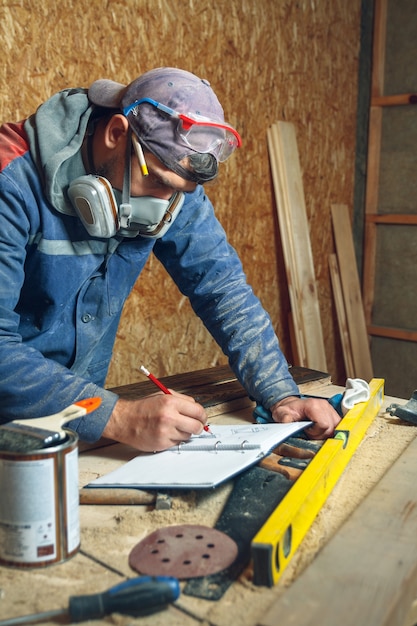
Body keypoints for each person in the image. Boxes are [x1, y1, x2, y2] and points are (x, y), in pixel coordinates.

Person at [0, 67, 340, 452]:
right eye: (158, 182)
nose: (163, 207)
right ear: (116, 134)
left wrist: (281, 396)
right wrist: (119, 417)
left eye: (178, 192)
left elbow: (222, 289)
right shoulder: (10, 181)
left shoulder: (171, 183)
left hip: (73, 424)